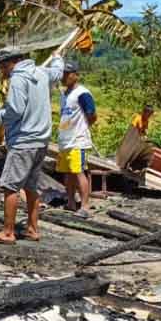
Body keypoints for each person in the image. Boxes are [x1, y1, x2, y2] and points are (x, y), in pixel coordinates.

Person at [0, 49, 64, 244]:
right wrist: (57, 58)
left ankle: (7, 232)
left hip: (24, 141)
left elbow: (15, 109)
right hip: (41, 141)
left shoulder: (19, 79)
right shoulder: (41, 72)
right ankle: (32, 229)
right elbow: (58, 72)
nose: (3, 72)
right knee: (30, 186)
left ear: (12, 63)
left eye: (4, 67)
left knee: (10, 185)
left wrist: (0, 115)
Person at [56, 59, 97, 215]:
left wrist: (82, 128)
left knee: (79, 171)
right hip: (65, 140)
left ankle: (85, 206)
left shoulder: (82, 93)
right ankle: (71, 202)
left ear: (76, 75)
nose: (64, 77)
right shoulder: (64, 94)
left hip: (77, 139)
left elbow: (92, 114)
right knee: (68, 173)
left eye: (68, 74)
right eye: (63, 74)